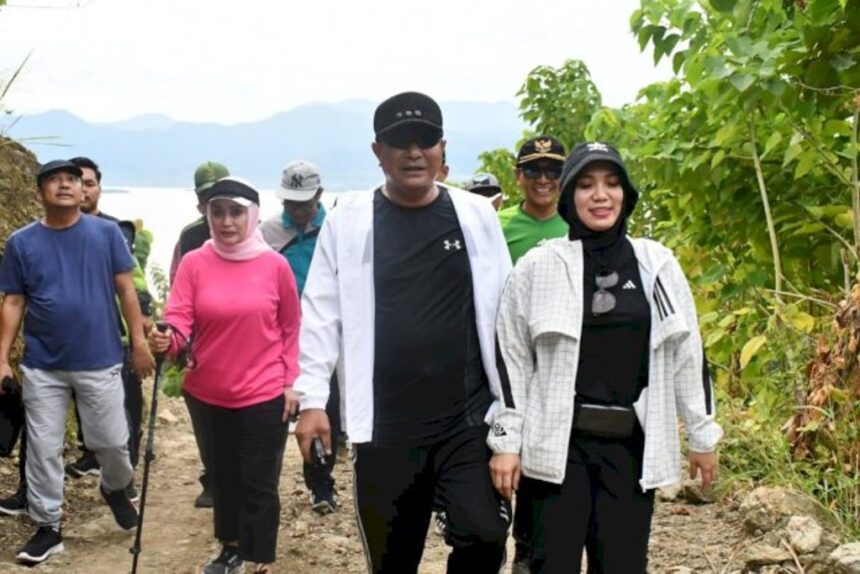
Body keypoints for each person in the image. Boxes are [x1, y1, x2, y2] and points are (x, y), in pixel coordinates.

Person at [294, 91, 512, 573]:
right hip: (387, 428)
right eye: (400, 142)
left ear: (442, 147)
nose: (414, 152)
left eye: (425, 140)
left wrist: (514, 413)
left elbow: (504, 310)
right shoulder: (349, 222)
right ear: (378, 152)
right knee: (393, 561)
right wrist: (311, 399)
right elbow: (320, 314)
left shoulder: (475, 216)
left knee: (484, 534)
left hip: (467, 417)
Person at [488, 142, 722, 573]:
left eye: (612, 184)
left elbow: (688, 353)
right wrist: (506, 443)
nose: (601, 195)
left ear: (626, 195)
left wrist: (702, 436)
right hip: (556, 447)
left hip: (629, 448)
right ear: (569, 198)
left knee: (622, 564)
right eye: (587, 185)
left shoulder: (656, 264)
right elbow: (512, 361)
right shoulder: (540, 267)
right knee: (549, 564)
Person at [0, 160, 155, 565]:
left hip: (100, 358)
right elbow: (14, 301)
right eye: (54, 179)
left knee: (112, 444)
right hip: (42, 364)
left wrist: (138, 343)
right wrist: (1, 358)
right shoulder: (22, 242)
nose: (65, 184)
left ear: (83, 189)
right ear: (40, 193)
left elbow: (126, 290)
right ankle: (48, 526)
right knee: (43, 448)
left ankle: (115, 487)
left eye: (71, 179)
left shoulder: (106, 234)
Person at [149, 176, 300, 574]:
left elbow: (290, 328)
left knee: (259, 479)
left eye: (235, 212)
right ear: (207, 215)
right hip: (207, 390)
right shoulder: (196, 262)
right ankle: (231, 549)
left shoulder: (275, 266)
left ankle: (260, 556)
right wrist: (169, 338)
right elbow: (180, 316)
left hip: (264, 390)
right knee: (223, 476)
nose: (227, 221)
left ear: (252, 215)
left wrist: (290, 383)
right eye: (218, 212)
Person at [65, 156, 154, 485]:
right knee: (81, 403)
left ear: (99, 189)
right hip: (70, 341)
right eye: (77, 182)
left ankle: (124, 480)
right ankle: (91, 455)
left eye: (89, 183)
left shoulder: (115, 231)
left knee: (127, 406)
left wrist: (141, 327)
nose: (83, 190)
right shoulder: (49, 232)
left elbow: (136, 283)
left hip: (116, 338)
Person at [260, 159, 340, 515]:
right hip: (283, 335)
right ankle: (262, 486)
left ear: (319, 195)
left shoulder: (336, 228)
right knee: (279, 409)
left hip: (329, 331)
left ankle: (321, 484)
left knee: (324, 408)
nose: (297, 209)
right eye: (290, 201)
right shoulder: (267, 233)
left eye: (304, 201)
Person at [169, 160, 230, 509]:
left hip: (240, 341)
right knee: (206, 417)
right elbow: (178, 287)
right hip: (200, 343)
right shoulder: (190, 236)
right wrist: (177, 337)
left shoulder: (252, 231)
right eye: (207, 199)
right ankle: (214, 477)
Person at [498, 136, 569, 265]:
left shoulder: (577, 223)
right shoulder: (498, 225)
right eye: (533, 171)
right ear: (518, 175)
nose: (543, 180)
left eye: (553, 171)